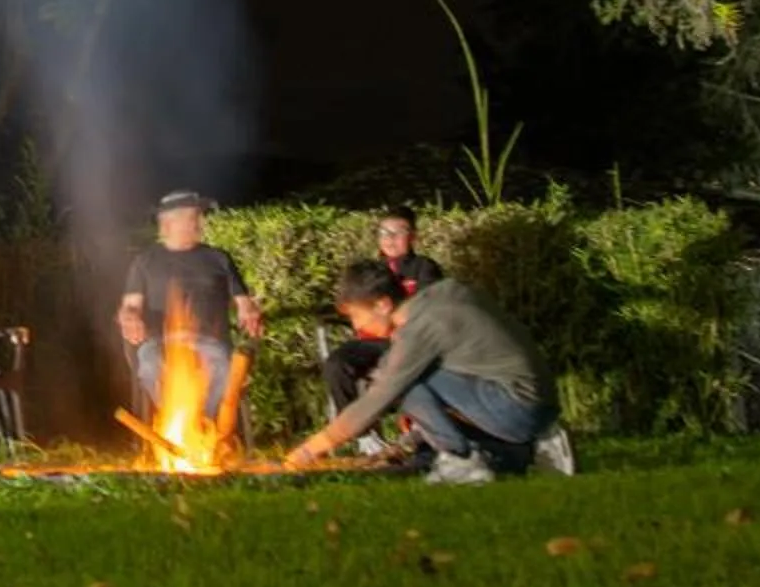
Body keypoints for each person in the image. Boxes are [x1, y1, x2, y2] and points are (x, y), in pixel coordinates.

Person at [283, 258, 576, 483]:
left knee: (398, 377)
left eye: (358, 317)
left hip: (517, 407)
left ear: (383, 305)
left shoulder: (420, 330)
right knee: (407, 371)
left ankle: (460, 460)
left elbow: (376, 400)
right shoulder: (442, 294)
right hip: (534, 401)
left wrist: (310, 449)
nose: (357, 328)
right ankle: (536, 447)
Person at [117, 190, 263, 428]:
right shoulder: (145, 261)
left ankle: (199, 426)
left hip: (210, 342)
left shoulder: (218, 258)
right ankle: (177, 422)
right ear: (169, 223)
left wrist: (249, 311)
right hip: (161, 343)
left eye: (199, 216)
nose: (200, 222)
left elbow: (243, 302)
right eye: (193, 217)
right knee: (149, 362)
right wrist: (129, 318)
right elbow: (130, 307)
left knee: (221, 365)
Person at [319, 208, 439, 426]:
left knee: (403, 371)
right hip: (372, 340)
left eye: (398, 233)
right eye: (384, 233)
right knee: (337, 364)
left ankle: (419, 432)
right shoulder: (369, 271)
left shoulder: (424, 268)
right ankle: (359, 431)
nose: (390, 239)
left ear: (413, 236)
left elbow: (428, 305)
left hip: (407, 339)